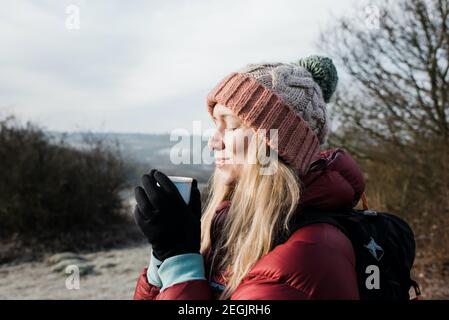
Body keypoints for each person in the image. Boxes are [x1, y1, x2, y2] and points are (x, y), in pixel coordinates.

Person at [133, 56, 365, 300]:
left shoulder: (308, 254)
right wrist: (163, 259)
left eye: (231, 127)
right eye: (216, 125)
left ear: (274, 146)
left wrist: (178, 260)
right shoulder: (234, 225)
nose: (213, 142)